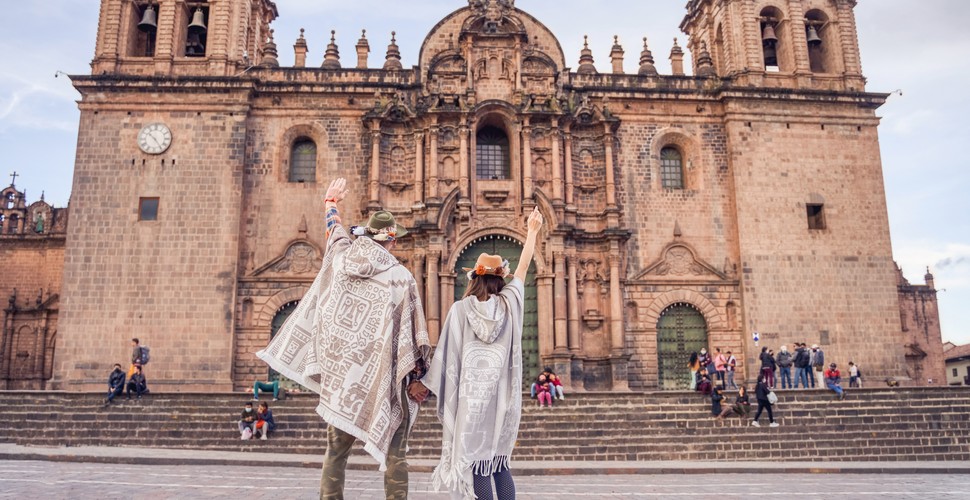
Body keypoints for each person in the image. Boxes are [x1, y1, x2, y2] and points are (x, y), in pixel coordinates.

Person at [256, 178, 431, 500]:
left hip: (343, 384)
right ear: (391, 240)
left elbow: (334, 232)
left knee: (336, 452)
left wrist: (331, 202)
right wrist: (417, 379)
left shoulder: (340, 259)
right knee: (396, 453)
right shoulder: (401, 278)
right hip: (386, 382)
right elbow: (412, 334)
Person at [420, 207, 543, 500]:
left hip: (471, 403)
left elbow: (446, 358)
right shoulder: (509, 304)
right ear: (501, 280)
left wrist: (423, 385)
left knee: (478, 465)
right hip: (504, 401)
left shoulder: (460, 310)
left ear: (473, 278)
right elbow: (524, 269)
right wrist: (532, 232)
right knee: (500, 464)